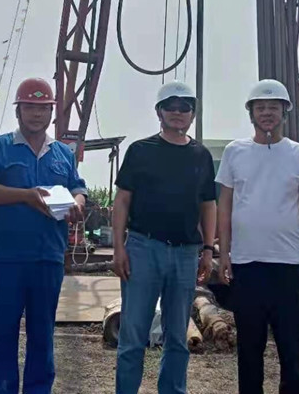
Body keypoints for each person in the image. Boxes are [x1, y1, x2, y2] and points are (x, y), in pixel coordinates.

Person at [0, 78, 87, 394]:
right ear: (18, 111)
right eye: (29, 107)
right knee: (2, 334)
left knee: (42, 335)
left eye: (43, 108)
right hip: (7, 258)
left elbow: (77, 187)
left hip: (48, 257)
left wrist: (78, 204)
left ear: (52, 113)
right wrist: (26, 196)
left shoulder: (62, 154)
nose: (36, 114)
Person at [216, 79, 299, 394]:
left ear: (284, 112)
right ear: (251, 113)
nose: (266, 113)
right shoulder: (235, 152)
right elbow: (225, 206)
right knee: (250, 348)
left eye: (273, 107)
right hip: (247, 265)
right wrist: (225, 255)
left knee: (291, 348)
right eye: (260, 108)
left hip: (288, 265)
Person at [112, 80, 217, 394]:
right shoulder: (140, 151)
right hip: (144, 248)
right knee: (133, 337)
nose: (177, 112)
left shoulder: (201, 155)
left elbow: (208, 204)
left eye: (184, 107)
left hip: (185, 254)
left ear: (192, 114)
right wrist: (118, 248)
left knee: (177, 338)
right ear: (159, 112)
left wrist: (208, 249)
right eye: (170, 106)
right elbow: (122, 201)